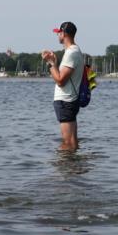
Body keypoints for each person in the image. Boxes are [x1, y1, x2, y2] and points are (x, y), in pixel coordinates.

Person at [42, 22, 84, 151]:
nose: (57, 35)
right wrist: (54, 63)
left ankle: (64, 163)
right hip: (69, 100)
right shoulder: (73, 51)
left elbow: (60, 81)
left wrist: (50, 64)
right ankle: (73, 163)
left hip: (66, 101)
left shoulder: (71, 52)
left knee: (67, 142)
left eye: (58, 33)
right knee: (72, 141)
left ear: (64, 33)